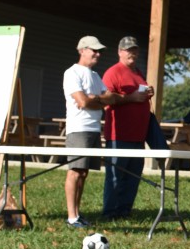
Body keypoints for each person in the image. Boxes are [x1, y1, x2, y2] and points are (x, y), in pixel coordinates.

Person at [62, 36, 127, 228]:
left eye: (99, 51)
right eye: (94, 51)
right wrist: (96, 100)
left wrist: (94, 98)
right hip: (78, 130)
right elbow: (82, 102)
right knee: (74, 172)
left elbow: (111, 99)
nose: (98, 54)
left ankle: (77, 213)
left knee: (83, 173)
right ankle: (71, 217)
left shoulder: (96, 76)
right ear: (82, 50)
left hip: (93, 129)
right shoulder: (72, 73)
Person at [101, 36, 155, 220]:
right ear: (119, 52)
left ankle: (125, 211)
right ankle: (110, 212)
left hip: (138, 135)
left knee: (133, 177)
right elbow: (106, 99)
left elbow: (138, 94)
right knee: (116, 176)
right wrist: (132, 98)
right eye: (127, 49)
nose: (131, 53)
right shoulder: (113, 72)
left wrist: (148, 92)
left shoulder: (138, 72)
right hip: (119, 134)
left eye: (134, 49)